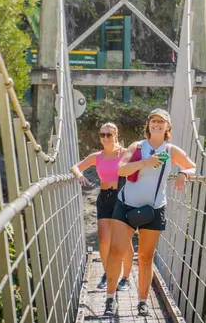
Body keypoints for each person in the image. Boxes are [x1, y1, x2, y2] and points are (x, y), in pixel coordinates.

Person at [103, 109, 196, 316]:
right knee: (116, 251)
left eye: (161, 122)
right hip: (126, 205)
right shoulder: (137, 147)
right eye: (154, 120)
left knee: (146, 257)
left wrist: (182, 172)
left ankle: (142, 302)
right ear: (148, 124)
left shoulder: (171, 150)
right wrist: (145, 162)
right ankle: (110, 299)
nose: (157, 124)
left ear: (167, 126)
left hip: (154, 209)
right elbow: (121, 170)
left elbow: (193, 167)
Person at [71, 122, 134, 291]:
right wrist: (79, 176)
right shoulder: (96, 156)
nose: (105, 138)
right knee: (104, 240)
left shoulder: (125, 153)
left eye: (109, 135)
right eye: (102, 134)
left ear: (116, 135)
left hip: (122, 198)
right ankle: (109, 274)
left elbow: (140, 167)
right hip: (104, 198)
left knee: (124, 241)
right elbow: (76, 167)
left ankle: (126, 278)